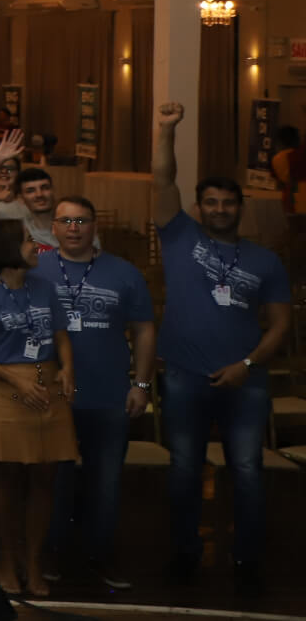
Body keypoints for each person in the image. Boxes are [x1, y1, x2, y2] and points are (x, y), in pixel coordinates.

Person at [151, 102, 291, 595]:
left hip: (246, 380)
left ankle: (247, 559)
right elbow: (163, 179)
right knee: (184, 469)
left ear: (240, 208)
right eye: (209, 202)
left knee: (248, 471)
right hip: (184, 376)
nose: (218, 210)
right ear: (197, 207)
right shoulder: (178, 236)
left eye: (227, 203)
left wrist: (248, 364)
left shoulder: (265, 260)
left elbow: (279, 324)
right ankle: (185, 553)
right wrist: (166, 130)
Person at [31, 195, 152, 592]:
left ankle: (101, 556)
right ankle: (50, 552)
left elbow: (144, 329)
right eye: (65, 221)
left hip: (109, 395)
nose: (74, 229)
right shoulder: (35, 269)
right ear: (53, 227)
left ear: (94, 226)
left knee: (106, 482)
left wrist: (142, 384)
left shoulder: (125, 272)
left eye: (82, 221)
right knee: (53, 482)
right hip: (51, 396)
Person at [0, 218, 75, 598]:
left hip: (48, 385)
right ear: (7, 251)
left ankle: (33, 561)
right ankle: (6, 561)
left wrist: (67, 367)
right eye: (28, 240)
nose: (36, 246)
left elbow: (60, 334)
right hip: (7, 387)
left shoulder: (45, 287)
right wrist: (16, 379)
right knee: (8, 480)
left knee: (45, 479)